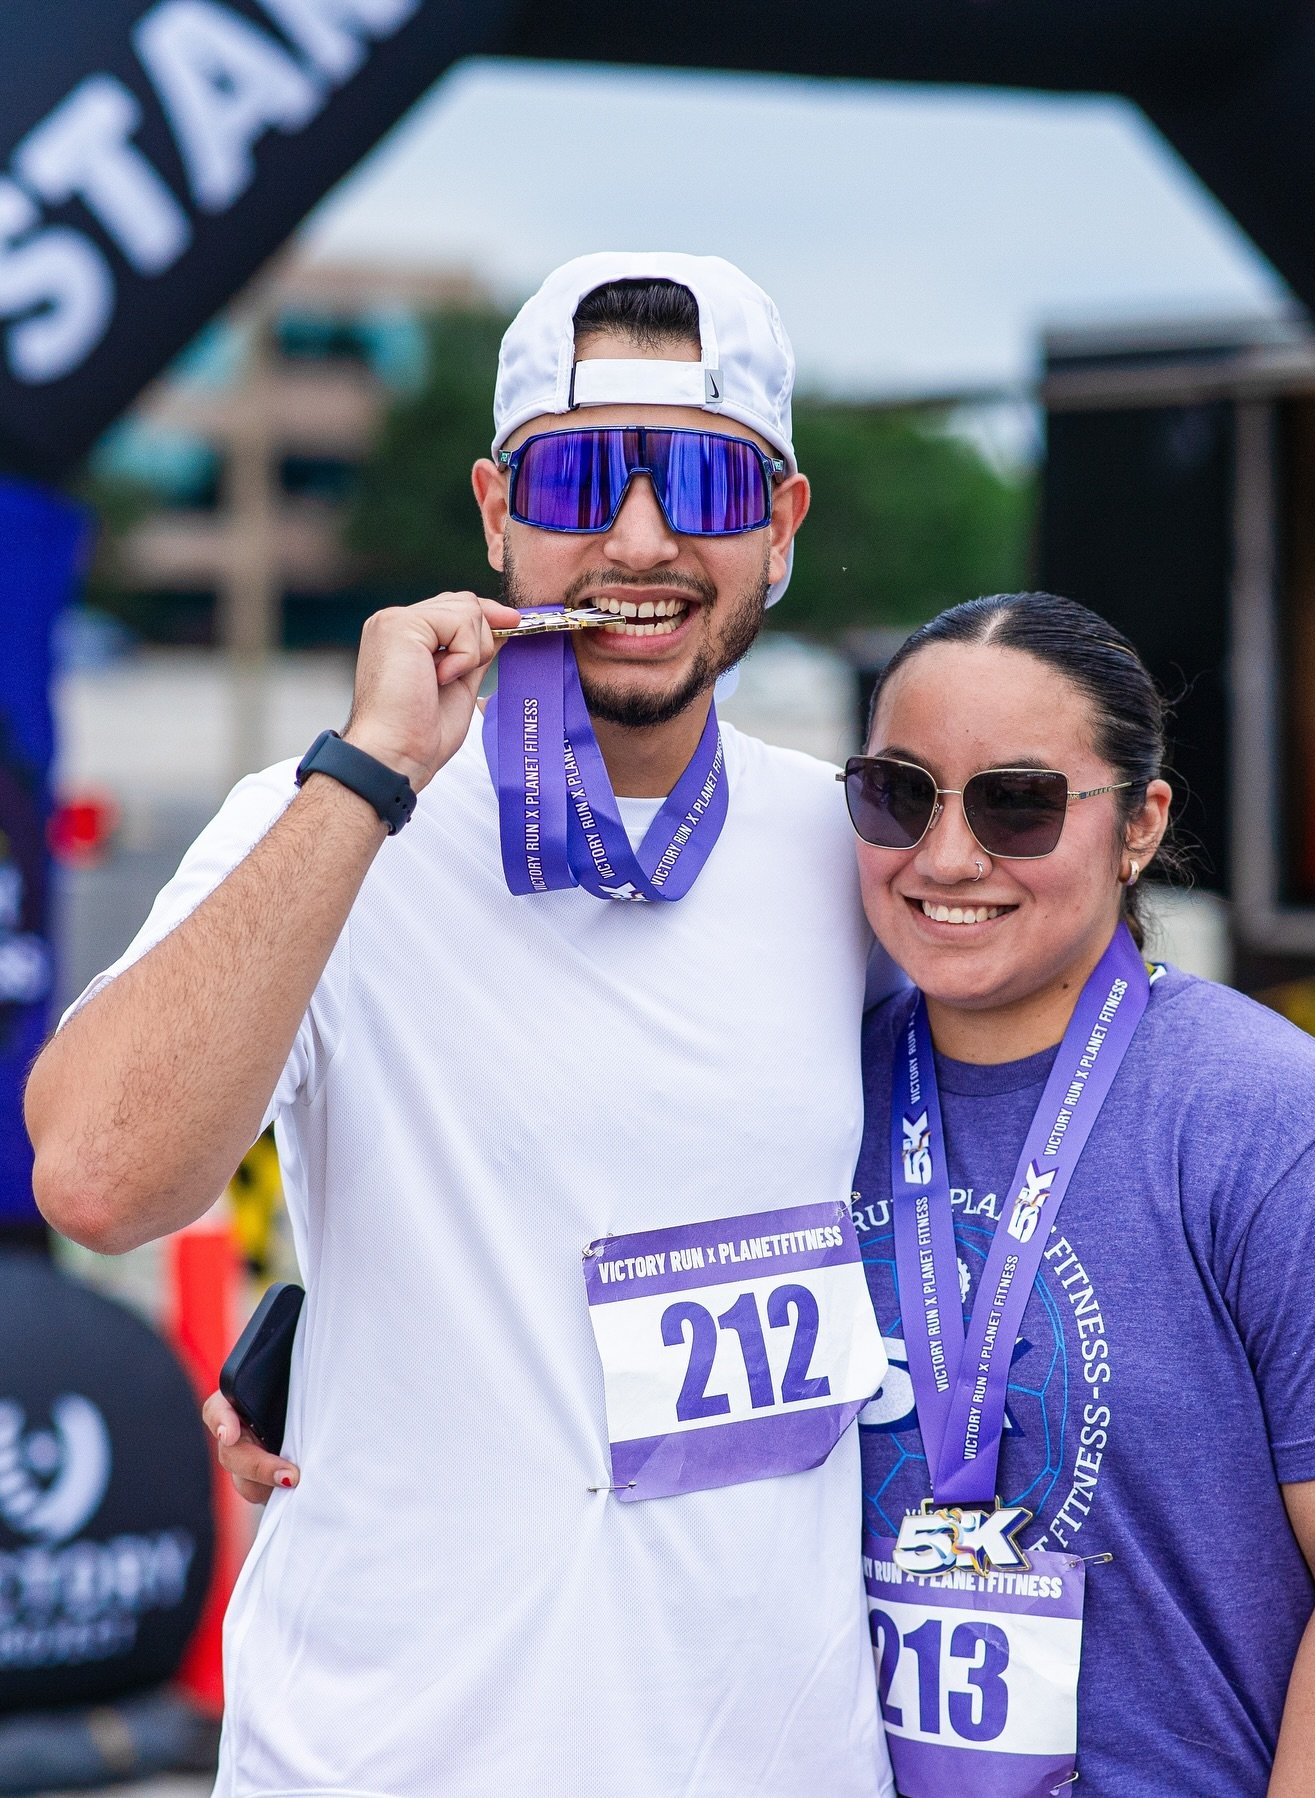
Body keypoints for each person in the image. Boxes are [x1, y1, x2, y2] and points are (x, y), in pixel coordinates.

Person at [25, 253, 895, 1798]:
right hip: (386, 1755)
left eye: (701, 480)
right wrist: (363, 778)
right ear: (497, 512)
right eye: (578, 479)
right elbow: (97, 1174)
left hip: (764, 1756)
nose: (639, 538)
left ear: (782, 523)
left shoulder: (859, 853)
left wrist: (313, 1330)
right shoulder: (334, 819)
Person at [841, 592, 1315, 1797]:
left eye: (1019, 802)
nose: (948, 855)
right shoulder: (807, 1095)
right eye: (900, 793)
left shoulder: (1277, 1125)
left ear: (1139, 824)